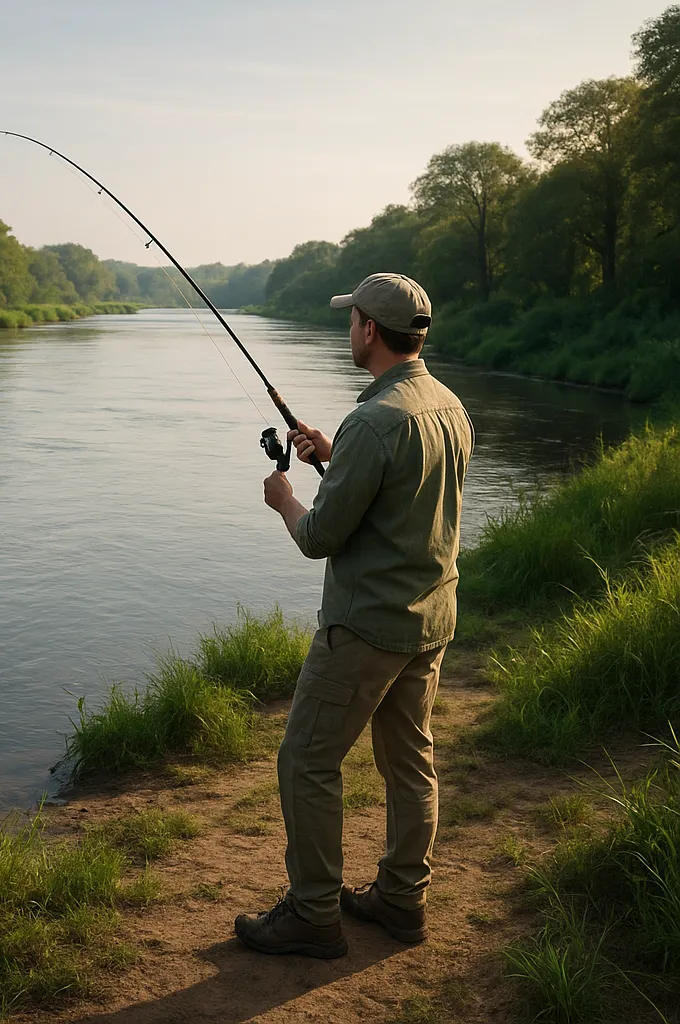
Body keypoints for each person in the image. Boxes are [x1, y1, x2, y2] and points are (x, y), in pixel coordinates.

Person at [234, 273, 474, 958]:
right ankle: (403, 901)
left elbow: (320, 538)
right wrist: (333, 457)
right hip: (429, 619)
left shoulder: (373, 419)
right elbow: (407, 497)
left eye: (353, 319)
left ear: (370, 330)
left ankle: (313, 915)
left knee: (305, 760)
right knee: (410, 761)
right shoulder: (449, 406)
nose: (349, 328)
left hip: (365, 626)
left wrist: (285, 497)